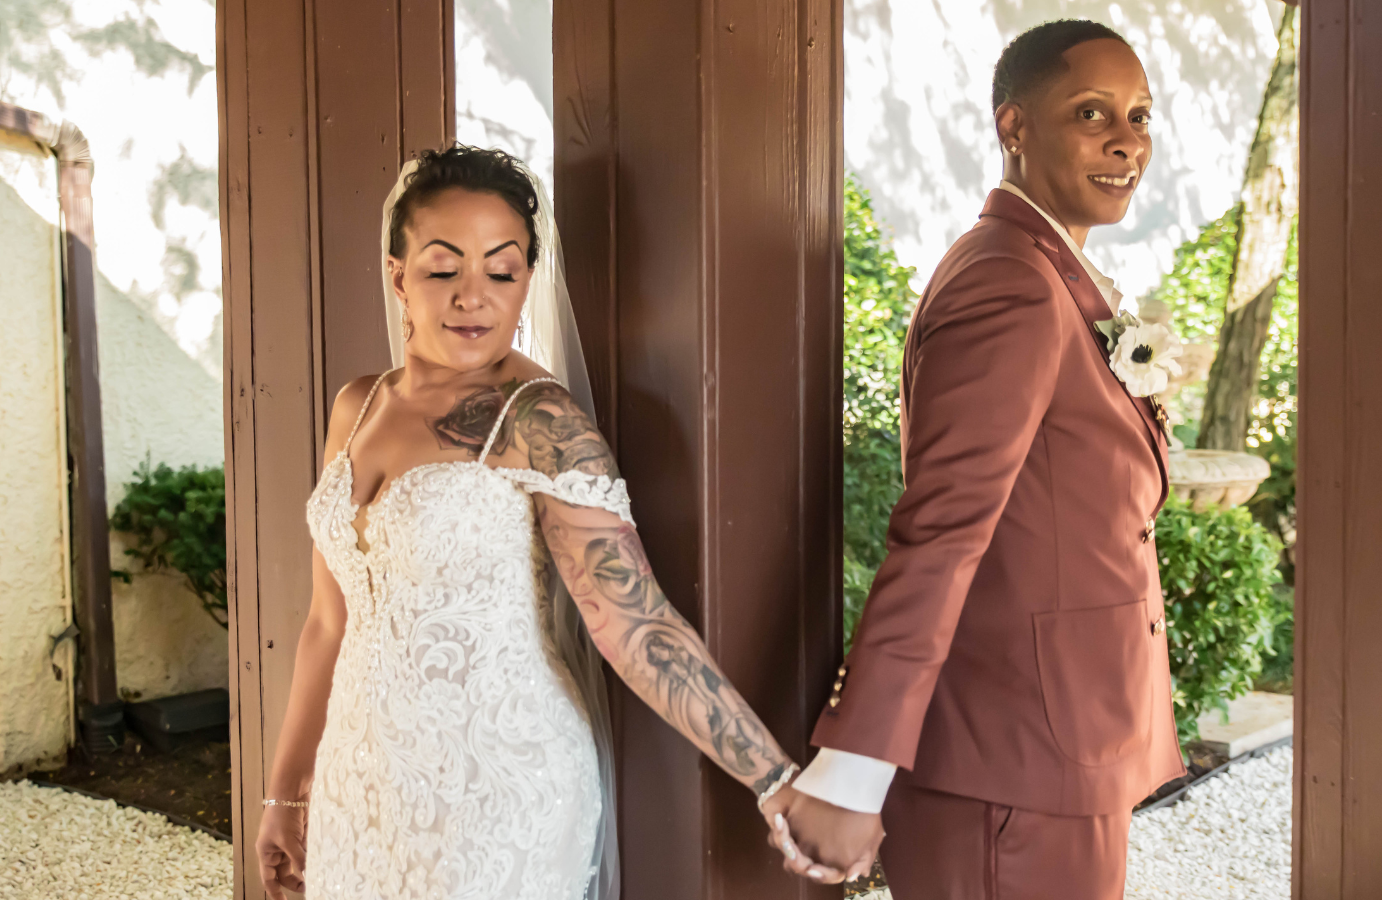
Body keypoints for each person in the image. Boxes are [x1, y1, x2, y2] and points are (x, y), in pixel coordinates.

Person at [251, 145, 822, 900]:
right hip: (362, 778)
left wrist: (774, 778)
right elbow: (330, 622)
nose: (473, 296)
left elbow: (634, 622)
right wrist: (287, 793)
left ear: (528, 280)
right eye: (443, 267)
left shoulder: (539, 422)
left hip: (499, 784)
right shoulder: (356, 407)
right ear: (398, 275)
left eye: (502, 268)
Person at [768, 20, 1186, 899]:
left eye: (1140, 115)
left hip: (1061, 744)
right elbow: (943, 530)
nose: (1126, 140)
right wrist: (856, 767)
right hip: (1013, 760)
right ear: (1014, 127)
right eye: (1091, 112)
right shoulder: (1010, 282)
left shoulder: (1054, 272)